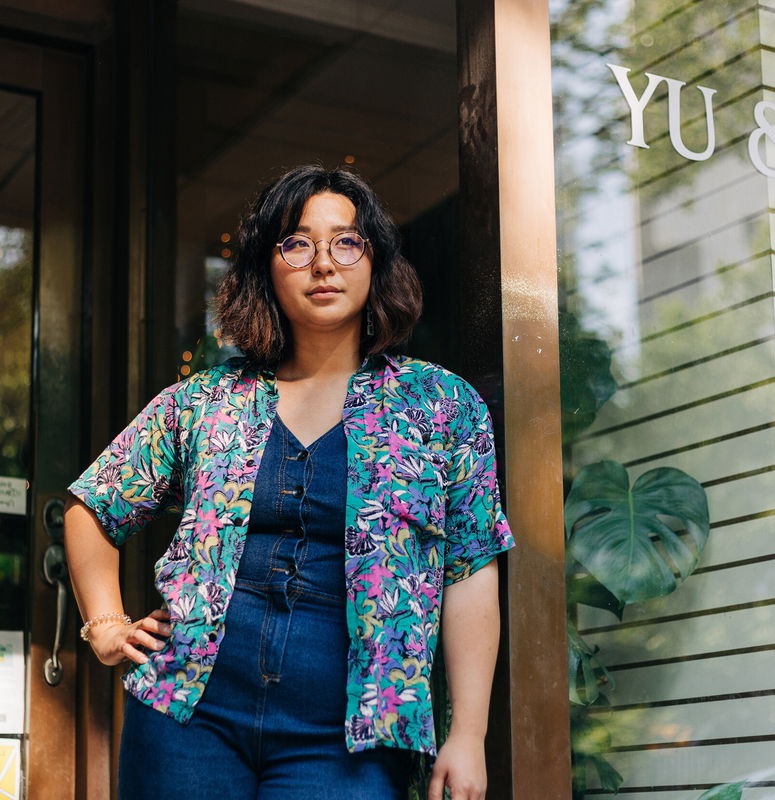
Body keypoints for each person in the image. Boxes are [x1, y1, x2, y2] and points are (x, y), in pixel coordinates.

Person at [65, 165, 514, 800]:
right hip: (188, 716)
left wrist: (468, 734)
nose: (324, 263)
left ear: (376, 260)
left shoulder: (442, 406)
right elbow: (94, 504)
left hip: (353, 735)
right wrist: (105, 625)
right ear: (266, 269)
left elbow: (470, 571)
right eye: (298, 243)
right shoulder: (206, 399)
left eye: (347, 241)